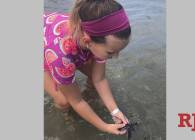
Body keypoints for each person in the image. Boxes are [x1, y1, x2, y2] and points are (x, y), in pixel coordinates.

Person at [44, 0, 131, 135]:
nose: (116, 56)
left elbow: (99, 79)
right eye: (111, 52)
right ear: (87, 41)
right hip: (48, 50)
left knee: (93, 76)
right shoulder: (62, 57)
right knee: (64, 101)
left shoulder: (97, 37)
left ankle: (90, 96)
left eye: (118, 51)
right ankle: (66, 116)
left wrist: (115, 110)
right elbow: (77, 101)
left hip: (75, 45)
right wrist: (104, 127)